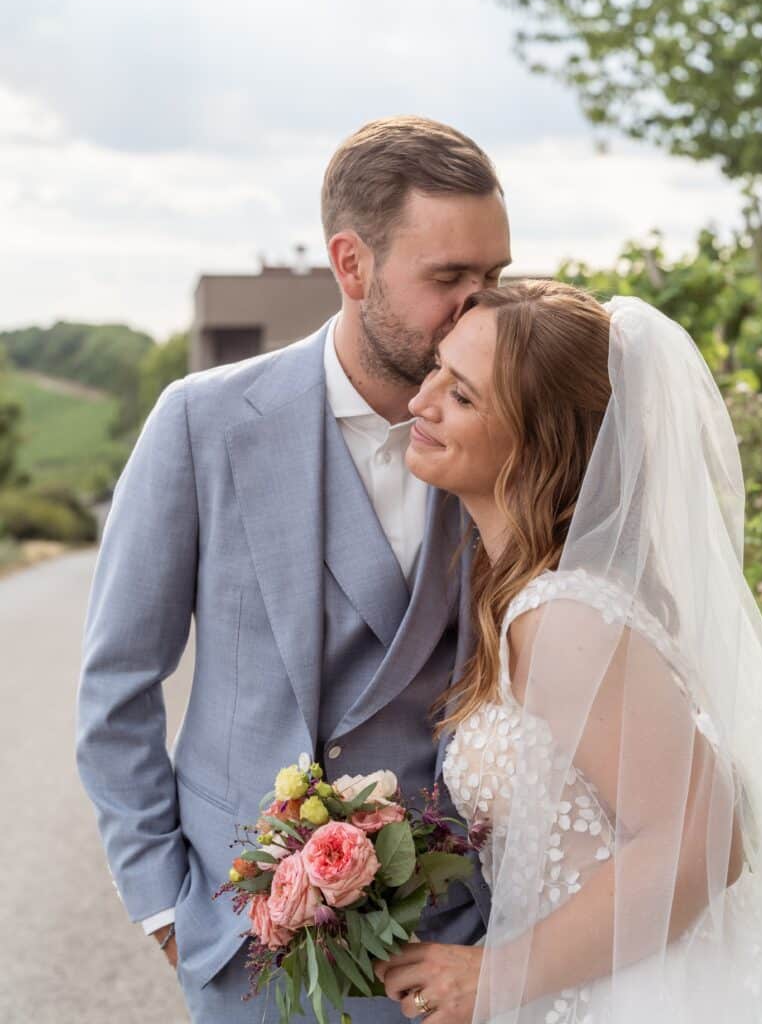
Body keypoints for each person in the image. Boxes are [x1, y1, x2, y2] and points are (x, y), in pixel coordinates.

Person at [76, 116, 511, 1023]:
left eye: (493, 278)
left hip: (459, 947)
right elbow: (117, 685)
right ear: (351, 265)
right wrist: (171, 916)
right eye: (448, 280)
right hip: (249, 947)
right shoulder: (201, 424)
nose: (479, 309)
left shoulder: (517, 437)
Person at [376, 280, 762, 1023]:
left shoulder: (563, 616)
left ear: (536, 442)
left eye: (462, 397)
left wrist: (493, 978)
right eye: (437, 369)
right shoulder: (536, 597)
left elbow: (704, 841)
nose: (421, 403)